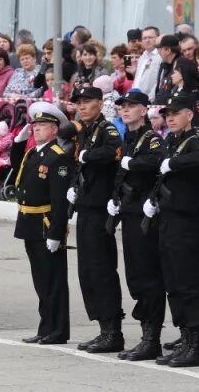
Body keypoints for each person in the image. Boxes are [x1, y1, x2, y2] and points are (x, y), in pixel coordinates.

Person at [145, 92, 199, 367]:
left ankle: (195, 342)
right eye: (167, 115)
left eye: (176, 113)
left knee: (188, 282)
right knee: (173, 282)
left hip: (187, 220)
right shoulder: (172, 140)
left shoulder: (196, 138)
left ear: (190, 114)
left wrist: (175, 162)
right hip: (169, 218)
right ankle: (185, 338)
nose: (170, 118)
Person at [105, 89, 166, 361]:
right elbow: (121, 172)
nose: (125, 110)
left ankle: (151, 338)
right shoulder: (127, 139)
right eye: (122, 107)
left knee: (148, 277)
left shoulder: (150, 138)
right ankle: (145, 335)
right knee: (135, 277)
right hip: (128, 214)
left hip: (145, 216)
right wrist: (115, 200)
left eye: (131, 106)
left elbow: (156, 162)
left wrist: (135, 163)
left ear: (144, 110)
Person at [68, 87, 124, 352]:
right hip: (85, 207)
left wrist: (87, 155)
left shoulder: (107, 129)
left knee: (102, 270)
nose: (82, 106)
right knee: (87, 271)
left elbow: (114, 152)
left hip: (101, 209)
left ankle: (113, 330)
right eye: (79, 102)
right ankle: (102, 327)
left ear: (100, 104)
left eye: (88, 102)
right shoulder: (85, 131)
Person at [13, 101, 72, 343]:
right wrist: (18, 141)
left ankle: (57, 330)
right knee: (40, 280)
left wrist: (56, 233)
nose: (36, 129)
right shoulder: (33, 153)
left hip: (46, 224)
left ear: (55, 130)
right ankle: (45, 326)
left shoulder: (58, 157)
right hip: (29, 223)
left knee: (53, 281)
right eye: (35, 125)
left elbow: (60, 201)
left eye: (43, 125)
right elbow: (15, 166)